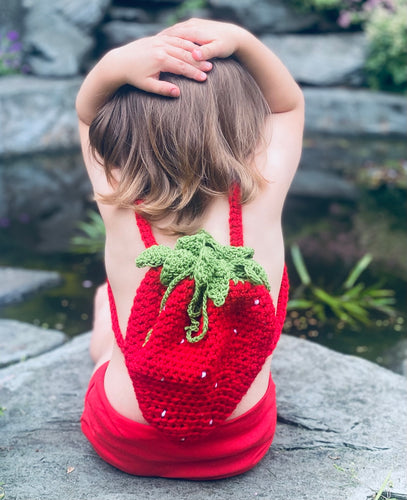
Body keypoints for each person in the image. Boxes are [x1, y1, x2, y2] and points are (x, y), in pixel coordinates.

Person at [77, 18, 304, 480]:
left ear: (122, 136)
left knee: (112, 323)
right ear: (245, 127)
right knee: (230, 329)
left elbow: (85, 114)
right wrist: (243, 41)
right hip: (239, 445)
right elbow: (288, 105)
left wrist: (112, 66)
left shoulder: (117, 199)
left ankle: (107, 334)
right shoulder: (263, 196)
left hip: (122, 438)